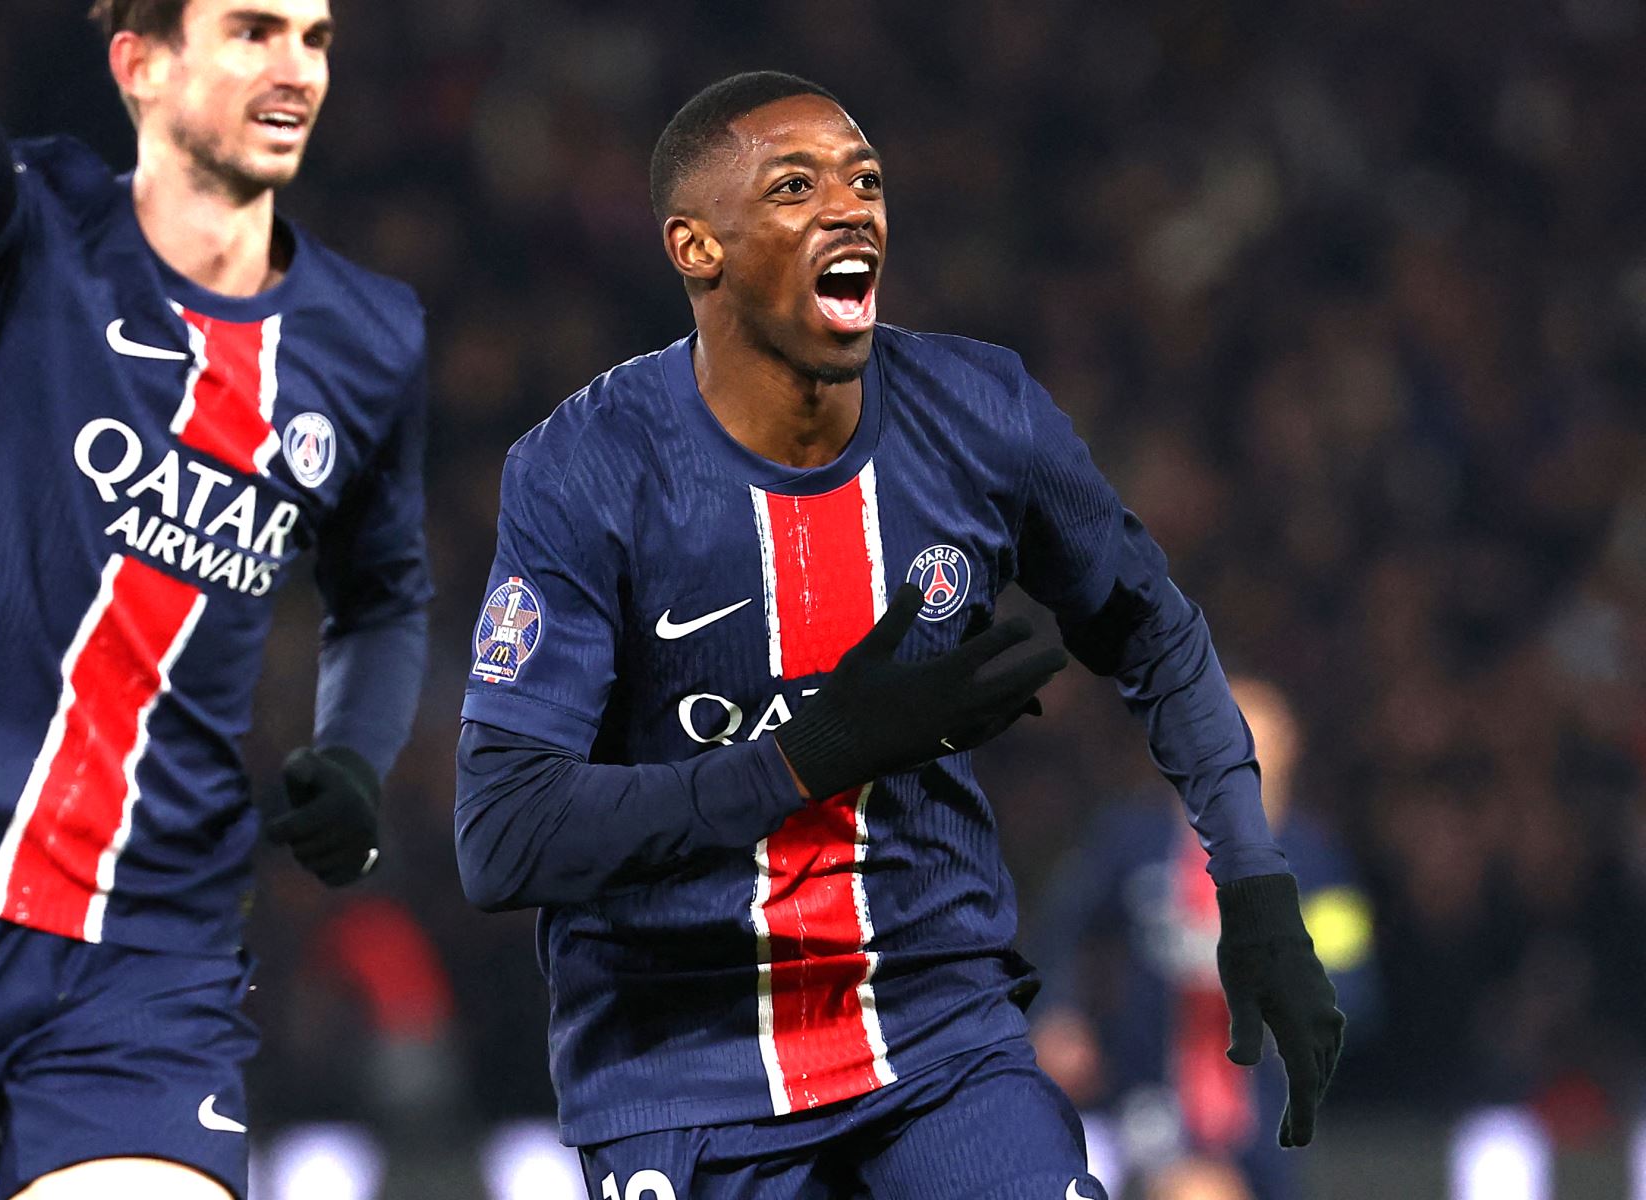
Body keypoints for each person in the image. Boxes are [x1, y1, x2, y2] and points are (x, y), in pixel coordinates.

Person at [455, 70, 1343, 1200]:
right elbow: (505, 836)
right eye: (794, 185)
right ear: (696, 247)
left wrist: (1255, 885)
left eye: (864, 180)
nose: (850, 206)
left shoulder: (980, 415)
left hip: (938, 1042)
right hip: (685, 1072)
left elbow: (1156, 636)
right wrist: (811, 756)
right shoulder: (589, 471)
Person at [0, 0, 431, 1196]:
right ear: (141, 65)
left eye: (314, 39)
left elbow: (381, 597)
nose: (296, 69)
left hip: (152, 947)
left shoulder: (370, 337)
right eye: (255, 31)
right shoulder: (22, 231)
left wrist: (358, 757)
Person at [1027, 677, 1377, 1199]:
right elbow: (1064, 926)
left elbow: (1351, 983)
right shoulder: (1134, 840)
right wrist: (1058, 1013)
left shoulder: (1316, 862)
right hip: (1153, 1093)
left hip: (1266, 1105)